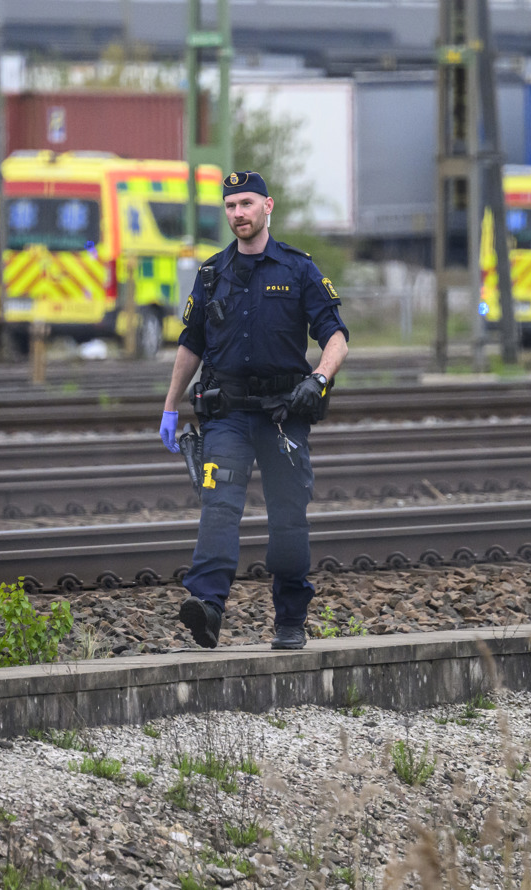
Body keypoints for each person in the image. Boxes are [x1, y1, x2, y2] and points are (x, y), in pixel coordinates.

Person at [159, 171, 349, 651]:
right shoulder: (211, 274)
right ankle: (207, 606)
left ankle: (290, 619)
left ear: (268, 206)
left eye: (246, 203)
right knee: (218, 505)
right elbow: (191, 344)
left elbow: (336, 337)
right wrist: (169, 406)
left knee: (288, 519)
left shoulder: (298, 269)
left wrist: (320, 378)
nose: (237, 213)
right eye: (230, 206)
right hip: (226, 416)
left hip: (284, 415)